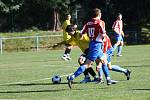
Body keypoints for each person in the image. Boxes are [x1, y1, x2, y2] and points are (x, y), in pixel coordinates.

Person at [67, 8, 116, 89]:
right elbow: (103, 34)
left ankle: (108, 79)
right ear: (99, 14)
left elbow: (82, 33)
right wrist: (103, 38)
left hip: (93, 44)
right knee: (87, 64)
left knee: (104, 60)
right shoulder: (101, 22)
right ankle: (72, 77)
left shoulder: (88, 23)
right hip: (97, 45)